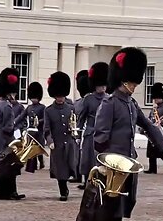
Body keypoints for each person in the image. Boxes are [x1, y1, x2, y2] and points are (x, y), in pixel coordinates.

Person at [93, 47, 163, 221]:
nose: (134, 87)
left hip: (129, 162)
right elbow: (100, 136)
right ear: (123, 80)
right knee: (116, 204)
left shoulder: (131, 104)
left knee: (125, 202)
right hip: (114, 164)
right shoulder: (109, 103)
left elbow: (149, 126)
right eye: (132, 83)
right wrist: (105, 162)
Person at [0, 68, 25, 200]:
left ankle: (1, 192)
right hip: (6, 138)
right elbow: (9, 126)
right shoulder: (7, 106)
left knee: (0, 164)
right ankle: (11, 192)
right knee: (10, 165)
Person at [77, 62, 110, 189]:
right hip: (90, 132)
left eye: (103, 85)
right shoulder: (88, 99)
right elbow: (82, 117)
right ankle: (87, 180)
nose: (102, 88)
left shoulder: (109, 98)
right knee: (87, 159)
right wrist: (79, 134)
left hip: (104, 133)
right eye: (100, 85)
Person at [44, 71, 76, 201]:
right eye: (58, 96)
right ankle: (63, 190)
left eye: (62, 96)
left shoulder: (71, 108)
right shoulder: (49, 110)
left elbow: (74, 123)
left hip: (69, 142)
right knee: (60, 169)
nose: (60, 98)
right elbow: (46, 129)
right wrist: (50, 141)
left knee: (70, 167)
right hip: (57, 144)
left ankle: (66, 185)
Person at [14, 82, 46, 172]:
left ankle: (41, 162)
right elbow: (21, 117)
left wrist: (39, 122)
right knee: (30, 147)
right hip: (31, 130)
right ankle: (32, 164)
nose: (33, 99)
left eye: (35, 98)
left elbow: (45, 118)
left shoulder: (42, 107)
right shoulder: (29, 108)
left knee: (39, 148)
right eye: (32, 98)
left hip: (39, 131)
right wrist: (14, 122)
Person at [144, 82, 163, 174]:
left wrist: (162, 122)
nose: (155, 99)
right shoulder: (154, 108)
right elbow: (150, 119)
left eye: (157, 97)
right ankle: (152, 168)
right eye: (155, 98)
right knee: (151, 152)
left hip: (162, 133)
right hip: (153, 132)